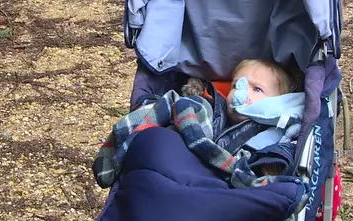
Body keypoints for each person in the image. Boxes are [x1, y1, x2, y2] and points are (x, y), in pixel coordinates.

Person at [92, 58, 306, 189]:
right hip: (185, 172)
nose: (241, 93)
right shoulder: (211, 109)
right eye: (236, 84)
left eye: (257, 89)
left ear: (279, 102)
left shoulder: (276, 131)